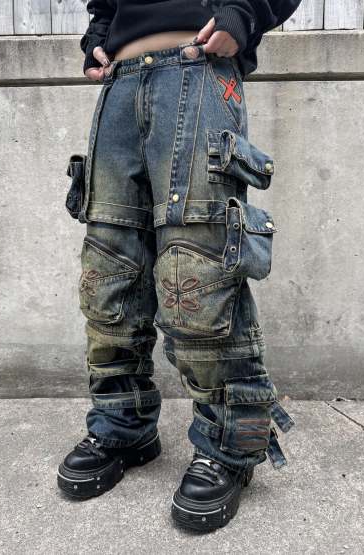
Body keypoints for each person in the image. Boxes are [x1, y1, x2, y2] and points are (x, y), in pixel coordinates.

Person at [58, 0, 302, 532]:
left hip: (200, 72)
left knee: (196, 269)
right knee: (108, 273)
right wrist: (99, 34)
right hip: (119, 86)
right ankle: (123, 425)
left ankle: (227, 446)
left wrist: (245, 13)